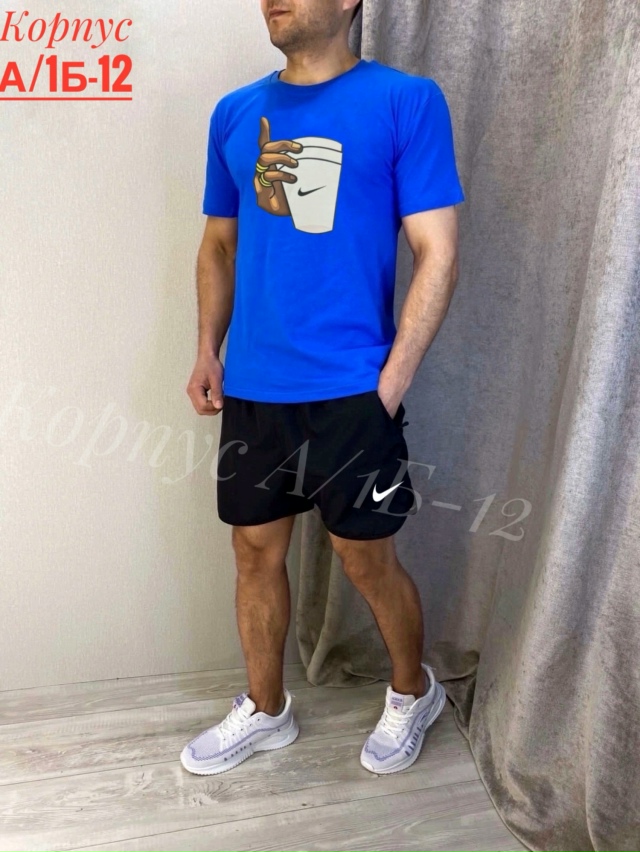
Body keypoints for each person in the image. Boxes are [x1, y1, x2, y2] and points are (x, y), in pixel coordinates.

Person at [182, 0, 464, 777]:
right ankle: (266, 709)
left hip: (351, 388)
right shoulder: (235, 114)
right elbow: (218, 245)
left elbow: (437, 251)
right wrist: (207, 350)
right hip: (255, 389)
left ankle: (413, 692)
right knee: (252, 553)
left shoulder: (406, 101)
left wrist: (389, 385)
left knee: (365, 559)